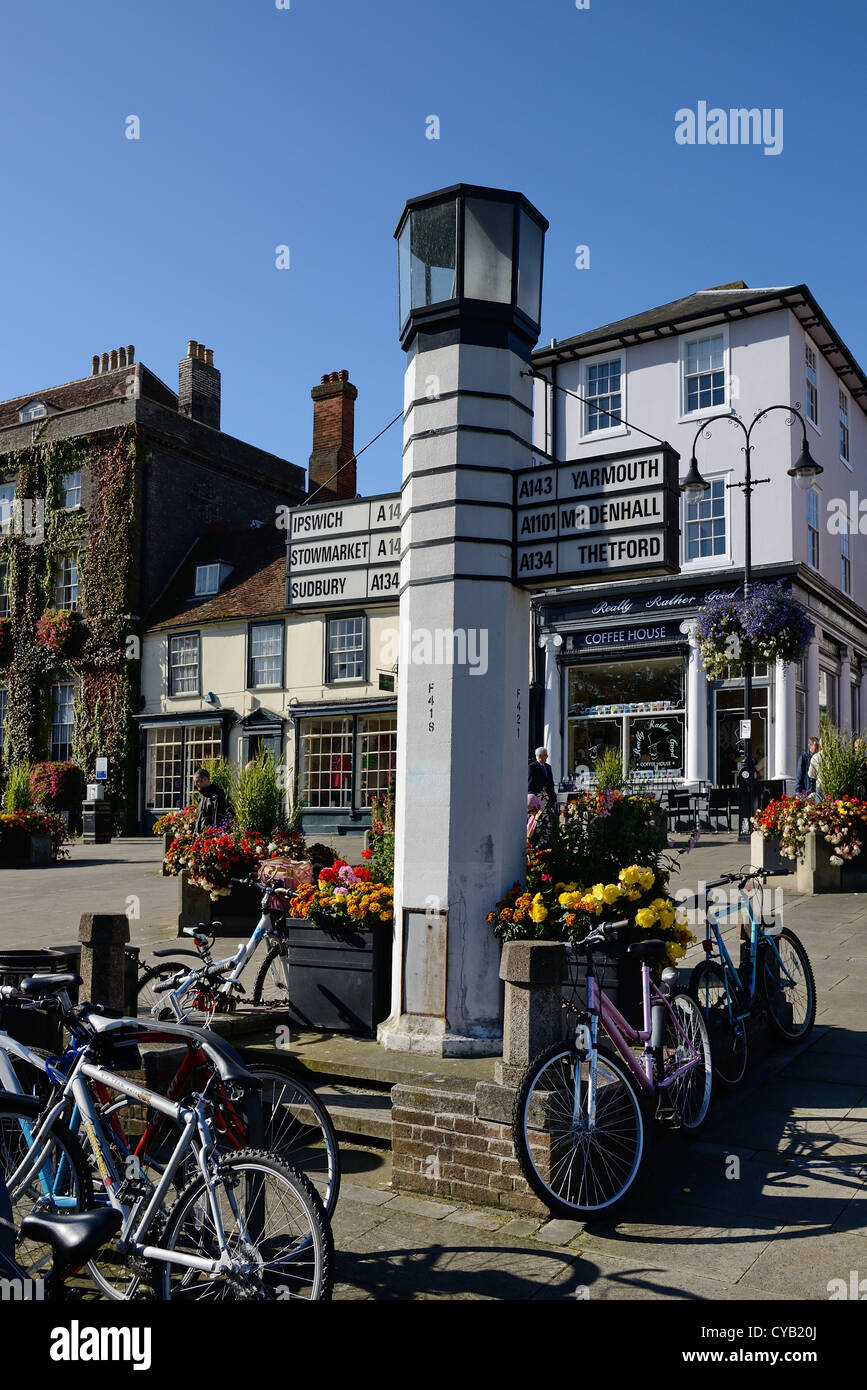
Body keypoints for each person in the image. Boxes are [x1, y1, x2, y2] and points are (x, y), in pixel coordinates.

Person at [192, 767, 229, 832]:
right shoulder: (203, 796)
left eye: (197, 781)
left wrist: (214, 834)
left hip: (210, 835)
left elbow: (218, 817)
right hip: (202, 835)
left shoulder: (217, 795)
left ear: (205, 779)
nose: (196, 784)